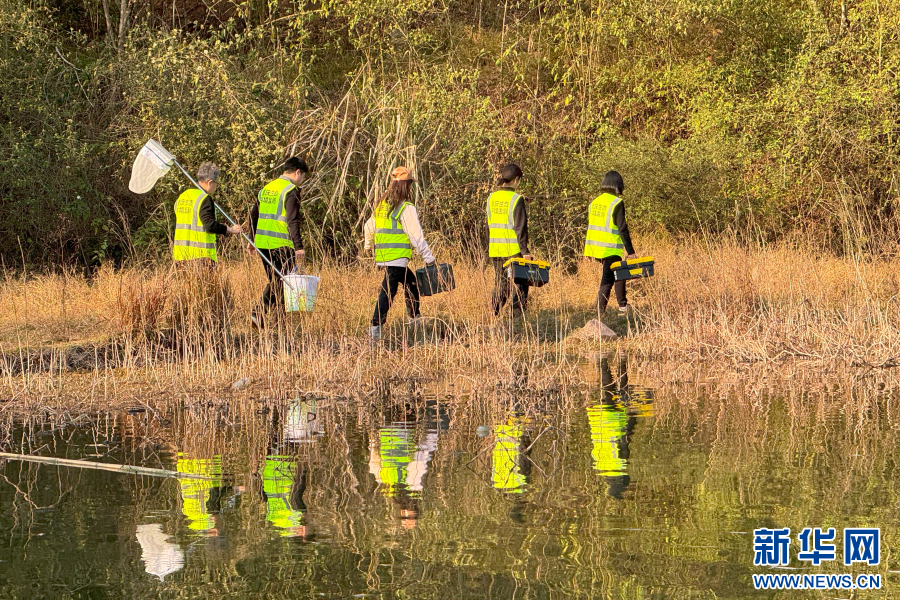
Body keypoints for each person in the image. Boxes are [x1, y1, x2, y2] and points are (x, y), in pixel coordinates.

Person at [363, 166, 435, 341]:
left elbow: (368, 226)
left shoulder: (382, 204)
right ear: (407, 185)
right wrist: (428, 257)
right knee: (388, 291)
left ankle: (414, 318)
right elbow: (415, 235)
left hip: (384, 256)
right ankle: (375, 327)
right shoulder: (405, 207)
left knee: (411, 283)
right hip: (397, 257)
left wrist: (368, 245)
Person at [248, 157, 308, 327]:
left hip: (262, 243)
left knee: (277, 282)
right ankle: (258, 311)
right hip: (281, 243)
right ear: (297, 172)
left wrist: (251, 239)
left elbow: (253, 215)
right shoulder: (291, 190)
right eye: (302, 176)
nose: (301, 180)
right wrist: (298, 247)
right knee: (281, 281)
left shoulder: (266, 188)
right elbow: (292, 220)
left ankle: (277, 323)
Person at [584, 170, 637, 314]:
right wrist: (631, 251)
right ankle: (599, 312)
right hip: (610, 248)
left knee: (618, 274)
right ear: (618, 185)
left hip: (596, 248)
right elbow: (622, 228)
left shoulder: (595, 202)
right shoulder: (616, 202)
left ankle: (623, 307)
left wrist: (587, 251)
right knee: (608, 279)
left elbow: (590, 227)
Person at [172, 162, 242, 264]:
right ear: (209, 182)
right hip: (202, 258)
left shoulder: (183, 196)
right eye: (216, 184)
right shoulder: (204, 199)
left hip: (180, 258)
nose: (216, 187)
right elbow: (210, 226)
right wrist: (229, 229)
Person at [487, 163, 531, 316]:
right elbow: (520, 228)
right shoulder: (516, 199)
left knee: (502, 284)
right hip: (513, 250)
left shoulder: (491, 198)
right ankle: (516, 314)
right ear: (516, 179)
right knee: (522, 282)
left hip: (495, 249)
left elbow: (490, 222)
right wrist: (525, 251)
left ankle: (493, 313)